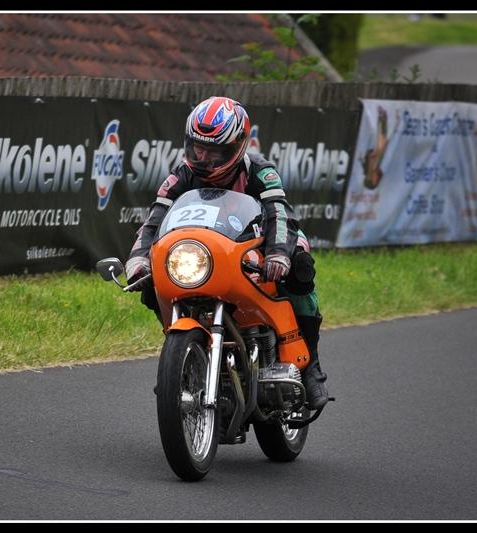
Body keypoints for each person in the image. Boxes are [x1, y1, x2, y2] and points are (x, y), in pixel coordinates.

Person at [125, 96, 329, 410]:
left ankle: (310, 365)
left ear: (237, 147)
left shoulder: (261, 171)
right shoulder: (179, 177)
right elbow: (154, 220)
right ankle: (179, 359)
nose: (204, 157)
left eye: (215, 151)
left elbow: (279, 213)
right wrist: (138, 259)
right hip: (205, 252)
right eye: (198, 148)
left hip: (258, 243)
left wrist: (279, 255)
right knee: (152, 283)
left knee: (301, 267)